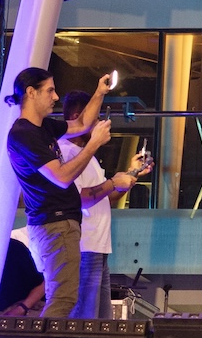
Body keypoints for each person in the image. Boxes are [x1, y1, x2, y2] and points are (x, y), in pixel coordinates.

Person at [2, 67, 114, 318]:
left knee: (64, 297)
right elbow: (61, 177)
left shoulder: (42, 128)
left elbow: (82, 124)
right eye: (50, 90)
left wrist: (99, 93)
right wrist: (94, 143)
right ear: (31, 92)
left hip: (61, 224)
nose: (55, 97)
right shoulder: (23, 135)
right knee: (63, 298)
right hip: (55, 224)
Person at [58, 90, 151, 318]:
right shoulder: (66, 152)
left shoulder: (86, 155)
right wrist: (113, 182)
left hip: (98, 248)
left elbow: (104, 198)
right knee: (84, 320)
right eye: (96, 117)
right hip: (83, 247)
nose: (100, 123)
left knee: (101, 321)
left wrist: (131, 174)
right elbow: (78, 198)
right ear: (78, 116)